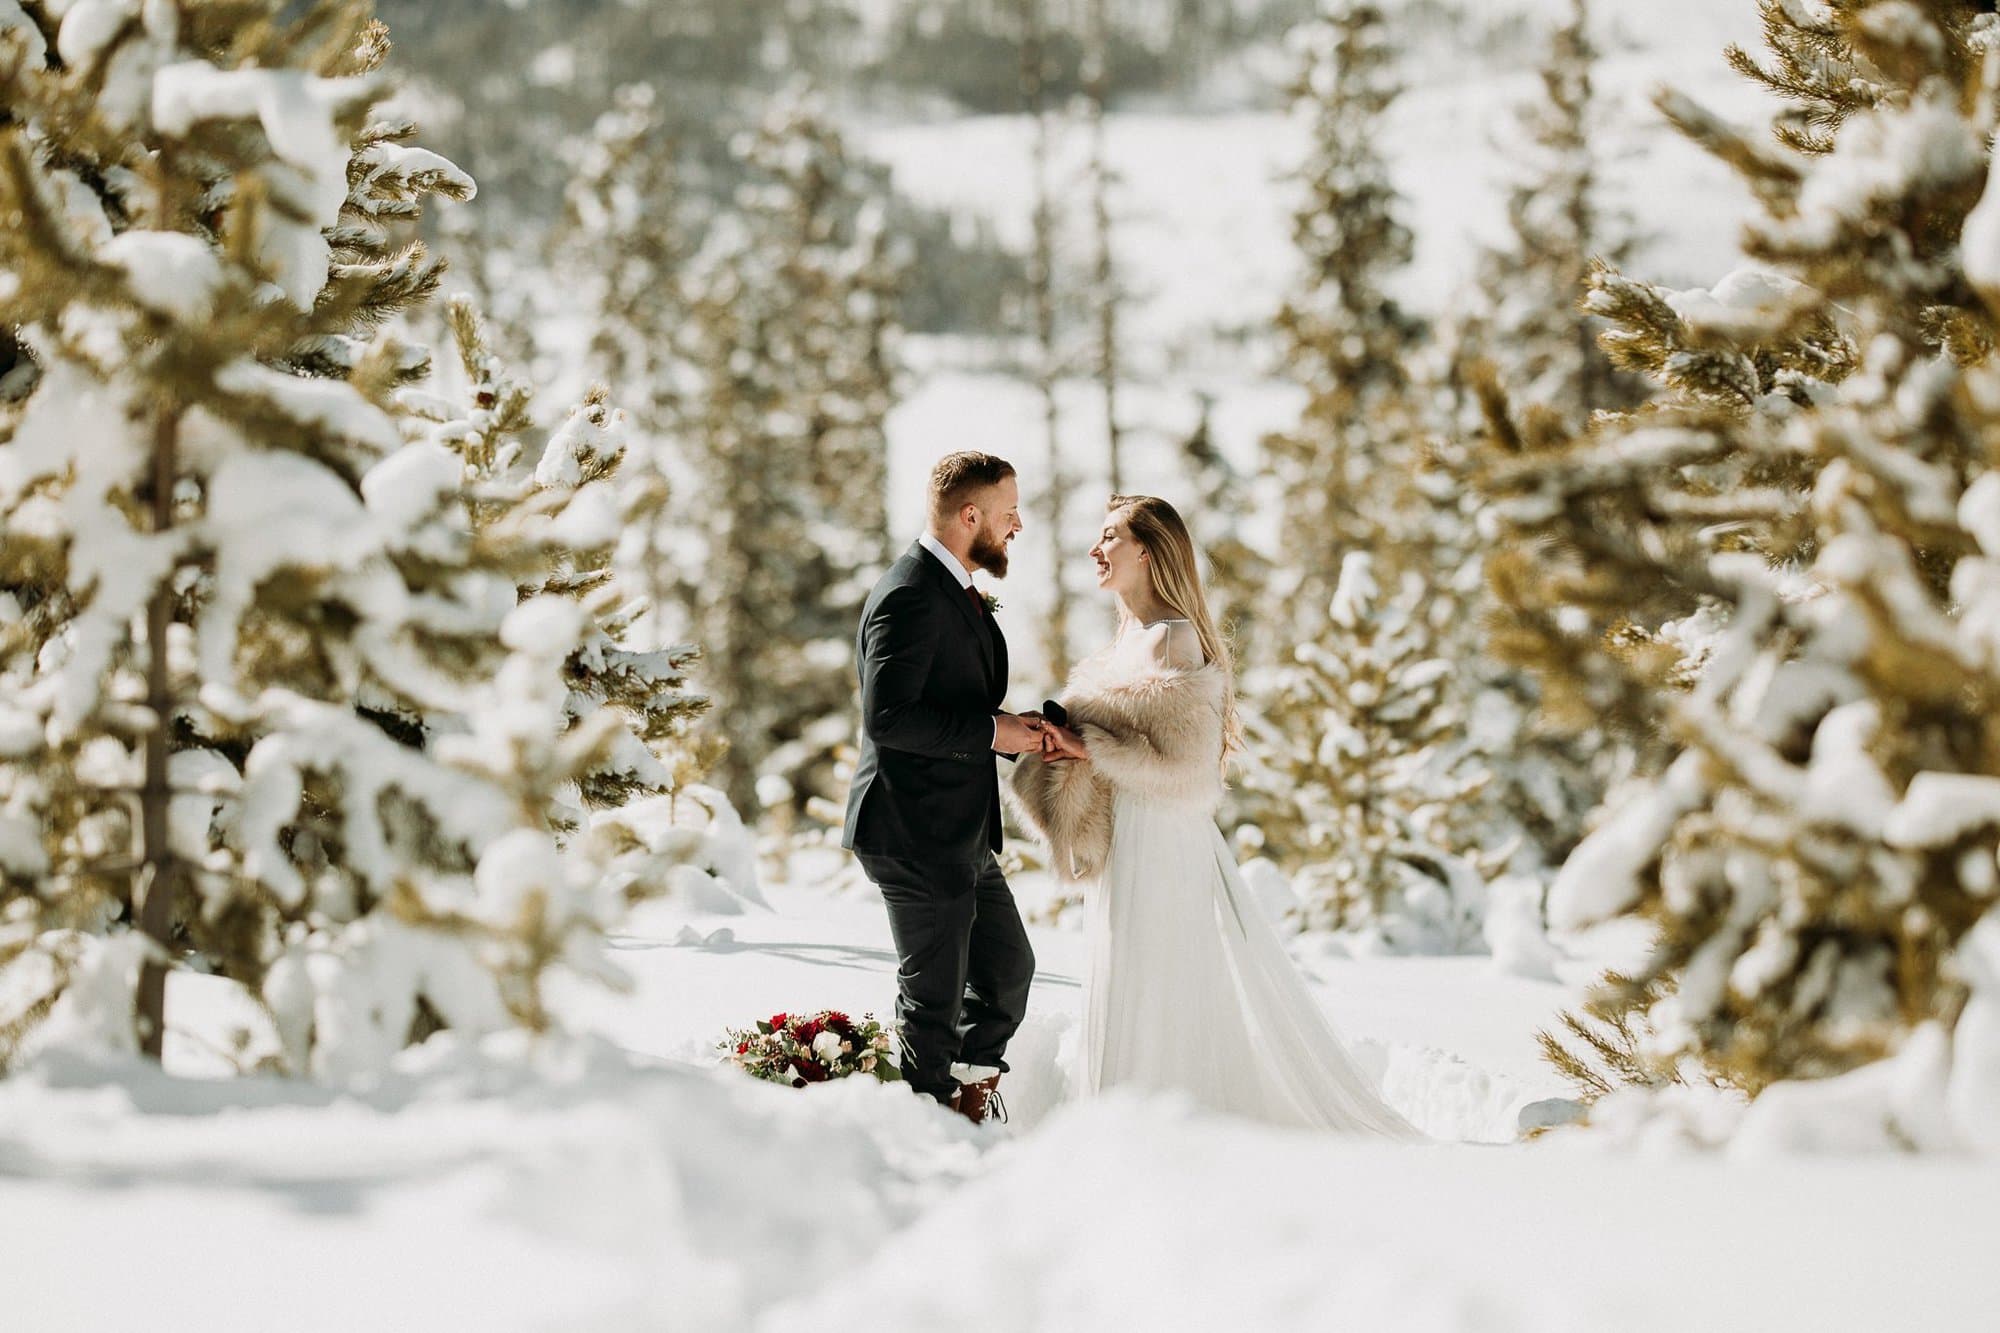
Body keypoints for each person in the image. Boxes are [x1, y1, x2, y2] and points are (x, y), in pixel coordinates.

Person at [1010, 494, 1421, 1137]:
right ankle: (1120, 1121)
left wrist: (1094, 746)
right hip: (1126, 839)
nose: (1097, 549)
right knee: (1122, 972)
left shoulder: (1175, 639)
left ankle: (1172, 1126)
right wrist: (1065, 746)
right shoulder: (1123, 643)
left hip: (1162, 837)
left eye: (1110, 536)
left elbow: (1187, 766)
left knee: (1159, 979)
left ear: (1147, 550)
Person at [842, 452, 1041, 1124]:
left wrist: (1023, 730)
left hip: (959, 834)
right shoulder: (909, 593)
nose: (1018, 523)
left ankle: (963, 1093)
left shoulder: (951, 588)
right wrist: (992, 732)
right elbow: (887, 717)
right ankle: (928, 1135)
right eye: (1009, 510)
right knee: (932, 1004)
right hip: (913, 830)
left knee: (1008, 971)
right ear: (970, 515)